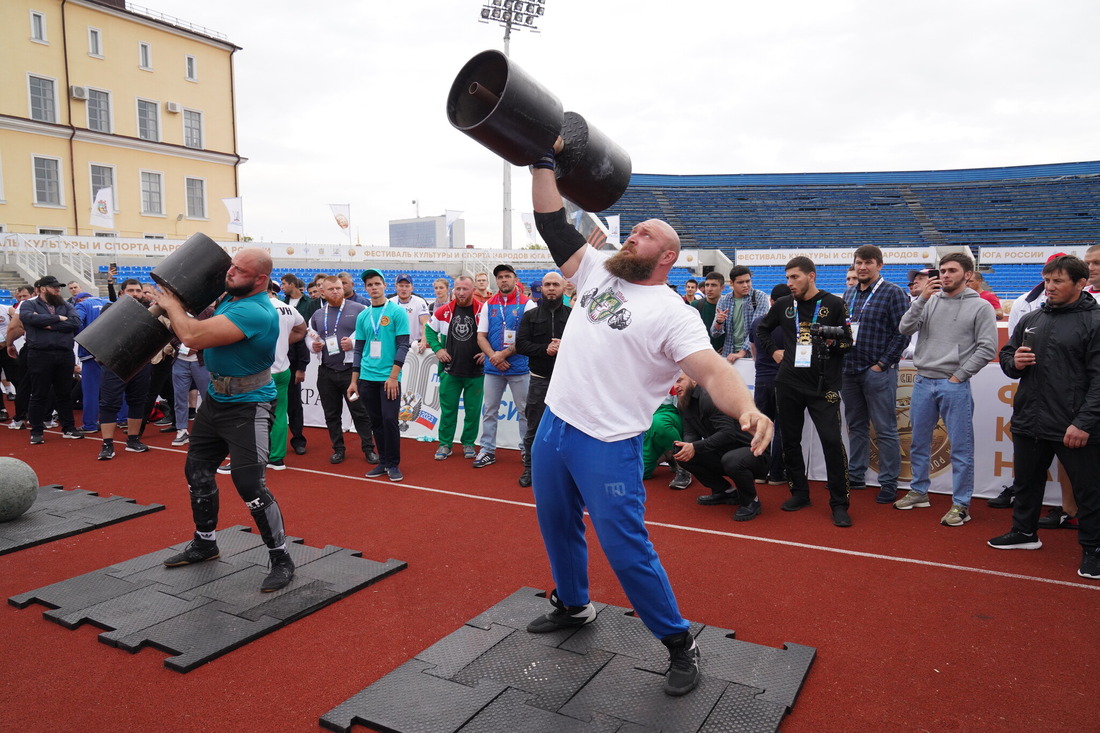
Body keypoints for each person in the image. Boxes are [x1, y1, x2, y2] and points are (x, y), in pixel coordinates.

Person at [528, 152, 772, 697]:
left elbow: (711, 369)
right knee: (556, 522)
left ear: (665, 258)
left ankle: (679, 641)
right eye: (632, 231)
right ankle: (573, 604)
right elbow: (551, 221)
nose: (628, 237)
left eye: (639, 235)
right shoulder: (595, 269)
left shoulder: (673, 313)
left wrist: (748, 408)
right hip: (556, 426)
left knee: (626, 549)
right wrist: (540, 162)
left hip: (609, 443)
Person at [156, 248, 295, 593]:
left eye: (239, 270)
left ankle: (281, 558)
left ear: (261, 279)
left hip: (248, 407)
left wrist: (170, 303)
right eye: (231, 266)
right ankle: (205, 542)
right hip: (216, 401)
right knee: (196, 472)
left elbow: (192, 336)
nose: (229, 272)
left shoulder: (256, 310)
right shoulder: (233, 296)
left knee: (249, 484)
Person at [988, 255, 1099, 580]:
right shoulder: (1032, 317)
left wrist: (1084, 423)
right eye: (1047, 280)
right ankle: (1024, 532)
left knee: (1088, 489)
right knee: (1026, 481)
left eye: (1058, 282)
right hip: (1029, 418)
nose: (1049, 287)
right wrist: (1015, 362)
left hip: (1073, 423)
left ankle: (1094, 548)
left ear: (1080, 284)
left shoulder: (1094, 321)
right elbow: (1007, 356)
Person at [896, 253, 997, 526]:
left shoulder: (981, 307)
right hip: (922, 380)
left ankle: (961, 504)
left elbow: (988, 347)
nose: (945, 275)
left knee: (961, 448)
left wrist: (958, 376)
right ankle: (919, 491)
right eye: (942, 270)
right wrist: (922, 300)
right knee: (918, 442)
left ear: (967, 275)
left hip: (953, 384)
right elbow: (904, 328)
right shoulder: (929, 301)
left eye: (952, 270)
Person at [756, 257, 854, 527]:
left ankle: (839, 503)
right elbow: (762, 330)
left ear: (811, 276)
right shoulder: (785, 304)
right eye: (787, 278)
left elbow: (848, 343)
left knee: (832, 442)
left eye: (795, 277)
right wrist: (773, 350)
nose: (790, 283)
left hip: (824, 386)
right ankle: (799, 492)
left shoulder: (834, 303)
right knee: (789, 440)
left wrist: (830, 341)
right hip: (788, 382)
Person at [841, 245, 910, 504]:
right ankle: (856, 475)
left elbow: (903, 332)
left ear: (879, 265)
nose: (862, 267)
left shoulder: (893, 293)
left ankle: (889, 481)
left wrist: (882, 364)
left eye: (868, 262)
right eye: (858, 262)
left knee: (885, 429)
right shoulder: (848, 295)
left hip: (878, 371)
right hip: (849, 370)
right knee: (855, 426)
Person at [676, 371, 768, 521]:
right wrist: (688, 447)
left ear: (694, 380)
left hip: (756, 454)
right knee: (681, 452)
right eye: (673, 382)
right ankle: (724, 491)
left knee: (731, 459)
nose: (675, 386)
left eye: (679, 381)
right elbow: (690, 436)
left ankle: (751, 501)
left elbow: (727, 434)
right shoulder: (684, 403)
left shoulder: (710, 398)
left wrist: (695, 447)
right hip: (724, 452)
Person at [347, 269, 410, 482]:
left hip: (389, 378)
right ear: (365, 289)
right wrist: (354, 381)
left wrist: (393, 377)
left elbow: (403, 345)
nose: (373, 288)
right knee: (376, 421)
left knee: (390, 420)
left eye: (376, 283)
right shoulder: (364, 315)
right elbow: (358, 350)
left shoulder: (397, 312)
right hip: (366, 378)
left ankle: (393, 463)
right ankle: (383, 461)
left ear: (384, 285)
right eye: (369, 285)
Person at [308, 276, 378, 465]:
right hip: (326, 373)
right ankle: (338, 449)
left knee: (360, 412)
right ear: (323, 292)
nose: (336, 292)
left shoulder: (359, 309)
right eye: (331, 289)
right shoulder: (317, 315)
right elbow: (310, 335)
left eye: (339, 288)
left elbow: (371, 334)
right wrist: (312, 346)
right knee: (331, 414)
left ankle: (368, 449)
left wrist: (353, 343)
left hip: (351, 373)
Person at [473, 263, 536, 468]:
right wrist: (494, 357)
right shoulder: (488, 304)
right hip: (493, 369)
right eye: (500, 277)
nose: (503, 280)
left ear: (514, 278)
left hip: (519, 367)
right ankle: (487, 449)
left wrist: (503, 355)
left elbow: (528, 338)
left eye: (507, 276)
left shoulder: (527, 304)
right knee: (490, 410)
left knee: (524, 412)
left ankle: (527, 451)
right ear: (496, 281)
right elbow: (481, 336)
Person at [514, 271, 571, 488]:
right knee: (534, 427)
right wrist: (544, 349)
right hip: (539, 380)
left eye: (555, 284)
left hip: (566, 382)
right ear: (541, 288)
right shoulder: (530, 316)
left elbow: (584, 346)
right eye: (547, 284)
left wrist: (563, 348)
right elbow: (521, 345)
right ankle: (530, 468)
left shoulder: (572, 315)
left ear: (563, 288)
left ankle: (565, 470)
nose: (550, 288)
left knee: (568, 428)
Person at [425, 276, 485, 462]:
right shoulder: (445, 311)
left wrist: (488, 352)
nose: (461, 293)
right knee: (448, 410)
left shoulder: (483, 310)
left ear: (473, 289)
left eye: (465, 289)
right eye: (458, 289)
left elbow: (495, 333)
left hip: (476, 372)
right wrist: (438, 349)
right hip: (450, 371)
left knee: (473, 411)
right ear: (453, 289)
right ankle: (445, 444)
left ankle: (468, 443)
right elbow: (429, 330)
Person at [20, 276, 84, 444]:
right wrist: (58, 319)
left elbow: (75, 323)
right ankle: (36, 431)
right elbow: (29, 319)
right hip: (40, 355)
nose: (58, 290)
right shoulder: (29, 304)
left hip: (64, 355)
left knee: (64, 394)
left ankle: (69, 428)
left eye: (58, 287)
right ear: (42, 288)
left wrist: (48, 324)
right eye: (54, 287)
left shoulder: (65, 305)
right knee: (39, 394)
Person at [95, 280, 155, 458]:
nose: (136, 294)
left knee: (138, 402)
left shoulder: (149, 310)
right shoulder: (109, 309)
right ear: (121, 293)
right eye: (131, 290)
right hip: (115, 362)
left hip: (141, 363)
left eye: (138, 291)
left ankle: (133, 440)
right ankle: (107, 444)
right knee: (109, 403)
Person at [748, 283, 790, 485]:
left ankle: (758, 470)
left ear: (771, 301)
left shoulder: (757, 322)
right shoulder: (792, 324)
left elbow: (753, 350)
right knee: (781, 427)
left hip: (762, 380)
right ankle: (776, 473)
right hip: (783, 382)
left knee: (761, 427)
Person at [266, 282, 306, 470]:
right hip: (283, 369)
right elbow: (301, 330)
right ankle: (277, 457)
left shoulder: (254, 307)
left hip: (261, 372)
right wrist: (284, 341)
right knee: (280, 413)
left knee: (252, 414)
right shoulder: (288, 308)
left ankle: (256, 455)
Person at [168, 305, 213, 447]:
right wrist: (183, 347)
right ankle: (181, 430)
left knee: (208, 398)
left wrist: (199, 346)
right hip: (180, 361)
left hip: (202, 362)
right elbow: (171, 334)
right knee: (179, 397)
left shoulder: (208, 312)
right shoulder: (176, 311)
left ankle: (211, 431)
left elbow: (214, 334)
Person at [711, 265, 770, 364]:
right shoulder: (724, 300)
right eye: (740, 282)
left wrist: (742, 352)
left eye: (748, 281)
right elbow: (714, 333)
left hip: (752, 356)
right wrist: (719, 322)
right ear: (731, 283)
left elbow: (757, 329)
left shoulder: (760, 297)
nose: (745, 285)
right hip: (729, 355)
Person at [73, 291, 109, 433]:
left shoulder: (82, 305)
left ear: (80, 299)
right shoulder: (108, 303)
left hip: (90, 351)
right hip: (112, 352)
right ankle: (122, 419)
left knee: (90, 391)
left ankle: (90, 424)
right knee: (117, 388)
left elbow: (76, 323)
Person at [389, 273, 431, 349]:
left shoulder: (419, 302)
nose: (404, 289)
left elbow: (425, 323)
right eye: (401, 286)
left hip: (414, 345)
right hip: (394, 345)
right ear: (396, 287)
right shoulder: (390, 302)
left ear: (412, 288)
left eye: (407, 286)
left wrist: (423, 341)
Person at [691, 272, 726, 351]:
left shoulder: (729, 306)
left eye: (713, 285)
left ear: (722, 287)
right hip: (702, 352)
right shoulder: (695, 305)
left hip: (725, 354)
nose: (709, 289)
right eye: (707, 285)